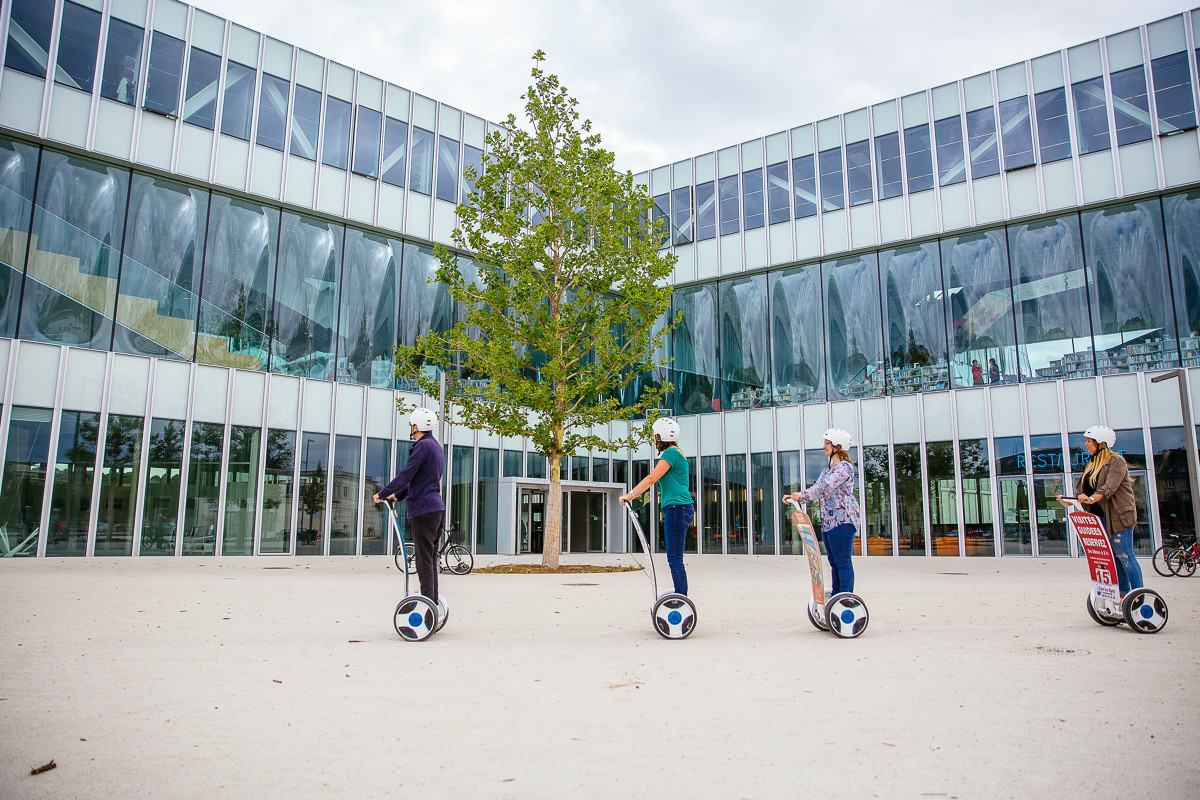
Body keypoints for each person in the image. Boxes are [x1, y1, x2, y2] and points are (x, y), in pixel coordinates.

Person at [1057, 425, 1142, 596]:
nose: (1086, 444)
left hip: (1118, 518)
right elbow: (1083, 489)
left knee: (1125, 555)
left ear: (1102, 443)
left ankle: (1139, 594)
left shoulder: (1116, 461)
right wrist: (1069, 500)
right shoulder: (1093, 464)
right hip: (1100, 518)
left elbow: (1108, 487)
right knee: (1114, 559)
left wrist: (1093, 498)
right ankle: (1123, 594)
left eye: (1089, 441)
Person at [374, 408, 445, 602]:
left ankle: (427, 607)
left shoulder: (422, 446)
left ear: (416, 426)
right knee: (430, 559)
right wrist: (397, 495)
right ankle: (432, 602)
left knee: (423, 561)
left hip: (423, 510)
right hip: (436, 508)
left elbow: (406, 475)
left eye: (412, 425)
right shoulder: (436, 447)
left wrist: (383, 493)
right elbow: (421, 480)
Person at [620, 418, 692, 596]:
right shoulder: (677, 452)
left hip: (677, 508)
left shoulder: (671, 454)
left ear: (661, 436)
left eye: (655, 435)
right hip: (680, 508)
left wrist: (630, 495)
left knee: (675, 559)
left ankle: (682, 599)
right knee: (675, 558)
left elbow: (651, 479)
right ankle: (680, 595)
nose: (654, 438)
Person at [783, 428, 859, 597]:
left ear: (837, 446)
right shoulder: (826, 471)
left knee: (842, 561)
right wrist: (796, 497)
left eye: (827, 443)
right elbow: (816, 489)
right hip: (828, 522)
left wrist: (802, 495)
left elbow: (824, 487)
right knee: (833, 562)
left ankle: (846, 597)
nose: (824, 446)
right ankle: (837, 595)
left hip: (843, 520)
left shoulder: (844, 468)